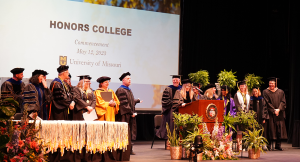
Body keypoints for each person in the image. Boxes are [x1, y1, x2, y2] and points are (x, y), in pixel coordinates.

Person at [115, 72, 142, 157]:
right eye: (128, 79)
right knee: (124, 132)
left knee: (129, 132)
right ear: (123, 80)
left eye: (130, 79)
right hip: (124, 116)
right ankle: (123, 149)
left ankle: (129, 149)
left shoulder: (128, 89)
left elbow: (129, 102)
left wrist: (136, 100)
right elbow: (124, 104)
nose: (130, 80)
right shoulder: (121, 90)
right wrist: (131, 113)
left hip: (128, 115)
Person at [263, 77, 287, 151]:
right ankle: (269, 145)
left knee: (279, 129)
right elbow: (267, 102)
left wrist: (278, 109)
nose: (271, 85)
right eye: (270, 83)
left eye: (272, 83)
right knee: (270, 129)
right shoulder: (265, 92)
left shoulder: (281, 92)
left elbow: (283, 102)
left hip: (279, 113)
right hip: (270, 113)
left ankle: (278, 145)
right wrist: (274, 110)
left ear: (275, 84)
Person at [156, 75, 182, 141]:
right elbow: (165, 100)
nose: (175, 81)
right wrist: (173, 103)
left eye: (176, 80)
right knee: (171, 126)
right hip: (170, 111)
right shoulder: (168, 89)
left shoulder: (182, 89)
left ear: (179, 80)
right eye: (174, 80)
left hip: (180, 111)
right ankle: (169, 142)